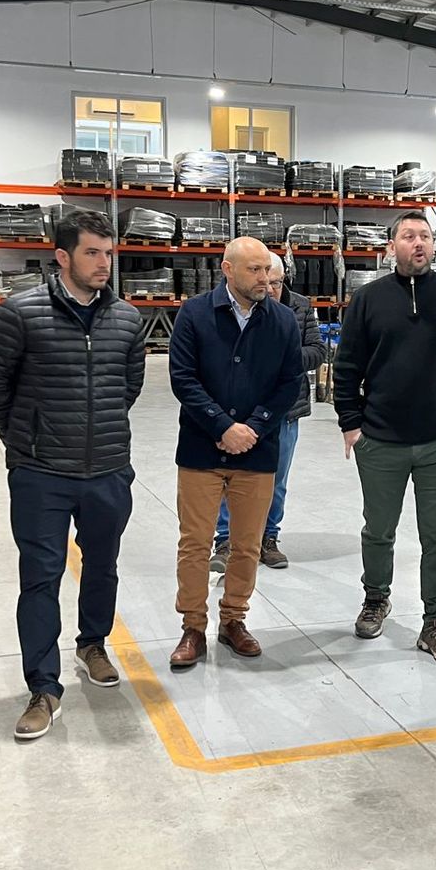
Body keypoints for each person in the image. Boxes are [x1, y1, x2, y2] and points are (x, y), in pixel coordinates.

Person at [0, 209, 146, 741]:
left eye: (108, 253)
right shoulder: (19, 314)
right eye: (92, 252)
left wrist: (103, 433)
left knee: (103, 566)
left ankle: (93, 644)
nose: (104, 263)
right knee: (41, 578)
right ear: (63, 257)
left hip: (108, 471)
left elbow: (130, 386)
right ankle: (43, 688)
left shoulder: (127, 319)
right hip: (40, 475)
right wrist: (26, 440)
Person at [333, 210, 436, 668]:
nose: (417, 242)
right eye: (408, 235)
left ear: (433, 245)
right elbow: (347, 369)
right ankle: (375, 599)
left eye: (425, 235)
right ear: (391, 247)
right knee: (378, 530)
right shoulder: (368, 300)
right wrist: (352, 424)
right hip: (380, 440)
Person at [167, 236, 303, 669]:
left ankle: (233, 621)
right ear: (227, 270)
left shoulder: (282, 320)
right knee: (195, 544)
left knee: (245, 545)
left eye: (267, 270)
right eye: (255, 270)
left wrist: (255, 428)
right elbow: (182, 377)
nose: (265, 278)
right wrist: (222, 426)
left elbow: (288, 383)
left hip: (258, 453)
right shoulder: (194, 314)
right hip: (201, 450)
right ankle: (192, 627)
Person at [211, 254, 326, 572]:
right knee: (230, 476)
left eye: (276, 281)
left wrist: (284, 357)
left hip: (286, 412)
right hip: (240, 410)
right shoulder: (241, 304)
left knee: (277, 479)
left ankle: (268, 538)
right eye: (263, 279)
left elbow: (317, 350)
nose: (269, 287)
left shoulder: (300, 305)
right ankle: (226, 539)